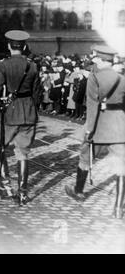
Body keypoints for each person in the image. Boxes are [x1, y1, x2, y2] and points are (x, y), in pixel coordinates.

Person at [65, 45, 125, 219]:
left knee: (85, 157)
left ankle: (79, 191)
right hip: (120, 126)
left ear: (99, 59)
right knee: (122, 166)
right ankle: (118, 209)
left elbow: (92, 106)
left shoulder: (95, 77)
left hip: (100, 125)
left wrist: (89, 130)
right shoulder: (122, 78)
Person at [0, 30, 40, 206]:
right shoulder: (32, 66)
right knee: (23, 152)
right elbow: (37, 94)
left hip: (9, 113)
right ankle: (23, 193)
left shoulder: (2, 66)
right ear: (24, 47)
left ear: (9, 46)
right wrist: (32, 109)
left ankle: (6, 187)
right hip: (28, 112)